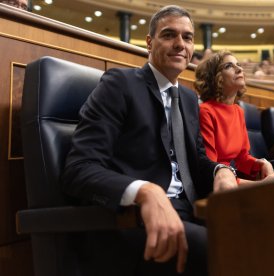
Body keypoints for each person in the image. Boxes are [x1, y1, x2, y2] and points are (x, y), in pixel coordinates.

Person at [62, 5, 237, 276]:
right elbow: (79, 169)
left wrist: (221, 171)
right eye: (169, 35)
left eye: (187, 37)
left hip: (193, 213)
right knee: (236, 250)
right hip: (132, 222)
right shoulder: (119, 84)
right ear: (149, 42)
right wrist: (146, 192)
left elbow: (197, 161)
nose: (180, 44)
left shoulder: (190, 99)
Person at [195, 50, 274, 184]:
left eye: (238, 64)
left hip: (232, 180)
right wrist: (258, 186)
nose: (239, 68)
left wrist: (262, 164)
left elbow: (243, 159)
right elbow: (210, 168)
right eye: (229, 66)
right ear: (216, 77)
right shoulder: (205, 111)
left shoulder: (238, 111)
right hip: (216, 183)